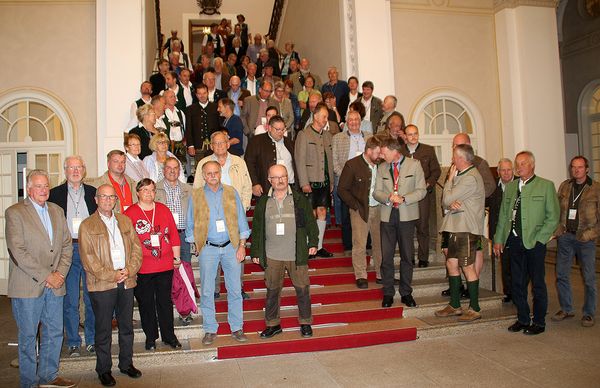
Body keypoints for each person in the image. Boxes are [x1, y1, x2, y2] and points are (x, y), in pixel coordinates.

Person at [5, 169, 75, 388]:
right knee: (28, 336)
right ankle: (29, 382)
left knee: (54, 332)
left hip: (56, 284)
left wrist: (60, 274)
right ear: (29, 188)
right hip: (28, 285)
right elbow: (18, 251)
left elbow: (66, 245)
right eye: (38, 186)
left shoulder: (57, 210)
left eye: (46, 185)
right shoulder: (15, 212)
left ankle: (48, 376)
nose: (43, 190)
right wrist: (47, 276)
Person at [79, 184, 143, 386]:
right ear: (96, 200)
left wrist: (129, 270)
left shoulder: (125, 221)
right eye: (103, 197)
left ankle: (126, 364)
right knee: (104, 329)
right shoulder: (87, 226)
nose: (108, 200)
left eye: (111, 197)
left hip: (126, 280)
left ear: (115, 200)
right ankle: (104, 369)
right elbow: (89, 260)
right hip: (102, 285)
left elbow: (136, 249)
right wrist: (112, 275)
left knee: (126, 327)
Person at [493, 151, 559, 335]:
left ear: (532, 165)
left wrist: (541, 238)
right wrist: (499, 239)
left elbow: (553, 217)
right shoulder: (512, 187)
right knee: (517, 283)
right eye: (518, 164)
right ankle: (523, 318)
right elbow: (504, 216)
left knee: (537, 284)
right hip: (514, 241)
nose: (519, 167)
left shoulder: (545, 186)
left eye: (523, 163)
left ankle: (538, 322)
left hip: (534, 242)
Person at [185, 161, 251, 345]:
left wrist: (242, 245)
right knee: (206, 290)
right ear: (204, 176)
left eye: (215, 172)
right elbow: (190, 221)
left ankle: (237, 327)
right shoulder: (196, 195)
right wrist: (195, 243)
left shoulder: (231, 192)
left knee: (235, 289)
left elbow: (241, 219)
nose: (212, 176)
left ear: (220, 173)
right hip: (208, 248)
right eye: (209, 173)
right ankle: (210, 329)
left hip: (231, 247)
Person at [250, 165, 318, 338]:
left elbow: (311, 222)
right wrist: (256, 252)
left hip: (297, 254)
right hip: (272, 255)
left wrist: (314, 242)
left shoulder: (299, 199)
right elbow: (257, 229)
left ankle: (305, 322)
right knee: (272, 291)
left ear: (288, 178)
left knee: (303, 289)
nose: (280, 180)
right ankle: (273, 324)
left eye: (283, 177)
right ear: (269, 180)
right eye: (276, 177)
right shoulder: (263, 202)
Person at [48, 156, 97, 358]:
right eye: (71, 168)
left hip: (90, 249)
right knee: (70, 299)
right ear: (65, 170)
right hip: (67, 250)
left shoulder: (93, 193)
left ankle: (92, 340)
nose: (75, 171)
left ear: (84, 170)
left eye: (79, 167)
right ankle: (74, 342)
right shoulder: (54, 194)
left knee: (91, 296)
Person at [125, 179, 182, 350]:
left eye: (152, 190)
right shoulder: (130, 213)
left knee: (164, 302)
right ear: (138, 192)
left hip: (164, 265)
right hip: (143, 267)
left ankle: (169, 336)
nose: (149, 193)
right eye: (145, 190)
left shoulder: (163, 210)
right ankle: (151, 337)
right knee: (146, 303)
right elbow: (126, 241)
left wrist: (176, 258)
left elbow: (173, 235)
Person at [435, 144, 485, 322]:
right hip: (455, 227)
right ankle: (455, 305)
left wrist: (449, 180)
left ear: (462, 159)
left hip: (466, 229)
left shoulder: (470, 177)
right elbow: (446, 203)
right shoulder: (462, 176)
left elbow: (446, 198)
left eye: (454, 157)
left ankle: (475, 307)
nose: (452, 160)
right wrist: (450, 202)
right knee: (451, 265)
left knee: (467, 267)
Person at [374, 137, 426, 308]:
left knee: (407, 256)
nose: (381, 155)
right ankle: (388, 292)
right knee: (386, 257)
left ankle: (406, 292)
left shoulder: (414, 165)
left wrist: (404, 198)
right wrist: (388, 198)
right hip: (387, 216)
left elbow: (421, 191)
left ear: (394, 151)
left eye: (384, 152)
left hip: (407, 216)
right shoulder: (381, 168)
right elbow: (376, 192)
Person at [552, 156, 600, 327]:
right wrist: (557, 230)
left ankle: (588, 313)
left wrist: (589, 234)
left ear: (587, 169)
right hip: (566, 237)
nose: (576, 170)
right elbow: (557, 210)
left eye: (580, 167)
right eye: (573, 167)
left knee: (588, 278)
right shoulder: (565, 186)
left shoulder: (595, 189)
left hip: (585, 238)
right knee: (561, 274)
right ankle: (566, 308)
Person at [155, 157, 198, 325]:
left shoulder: (189, 189)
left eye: (176, 168)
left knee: (184, 276)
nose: (172, 171)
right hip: (162, 238)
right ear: (163, 170)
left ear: (180, 171)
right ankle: (163, 311)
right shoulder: (154, 189)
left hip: (183, 236)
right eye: (169, 168)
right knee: (164, 276)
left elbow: (195, 215)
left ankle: (185, 310)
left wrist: (195, 238)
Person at [338, 136, 383, 288]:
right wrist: (354, 205)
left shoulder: (381, 164)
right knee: (359, 244)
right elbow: (342, 189)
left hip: (379, 209)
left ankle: (380, 273)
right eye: (377, 153)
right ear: (369, 151)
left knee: (379, 244)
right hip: (360, 209)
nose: (380, 156)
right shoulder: (352, 165)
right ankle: (361, 275)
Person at [295, 103, 335, 258]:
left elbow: (329, 160)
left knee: (322, 212)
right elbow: (299, 160)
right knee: (310, 214)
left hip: (324, 181)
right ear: (315, 116)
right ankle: (308, 246)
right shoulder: (304, 134)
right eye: (324, 116)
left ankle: (318, 247)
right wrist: (304, 182)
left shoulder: (327, 136)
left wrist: (331, 181)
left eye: (327, 117)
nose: (326, 120)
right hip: (310, 181)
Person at [332, 110, 373, 253]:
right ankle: (348, 245)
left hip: (366, 182)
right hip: (346, 183)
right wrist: (344, 177)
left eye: (356, 119)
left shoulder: (369, 137)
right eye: (351, 120)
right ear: (346, 122)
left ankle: (367, 244)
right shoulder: (338, 138)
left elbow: (375, 157)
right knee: (346, 214)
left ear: (361, 121)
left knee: (366, 212)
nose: (354, 122)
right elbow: (335, 161)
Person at [401, 124, 441, 268]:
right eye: (410, 134)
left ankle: (423, 258)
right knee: (407, 228)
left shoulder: (428, 150)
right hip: (405, 196)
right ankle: (409, 258)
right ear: (405, 136)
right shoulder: (400, 152)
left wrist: (428, 183)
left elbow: (436, 171)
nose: (413, 136)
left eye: (415, 133)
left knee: (423, 226)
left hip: (423, 195)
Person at [245, 115, 296, 198]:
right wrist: (254, 183)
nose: (281, 132)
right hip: (266, 187)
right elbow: (249, 163)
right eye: (277, 129)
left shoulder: (289, 142)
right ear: (269, 128)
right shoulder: (256, 141)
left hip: (289, 185)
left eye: (283, 129)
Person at [486, 158, 515, 303]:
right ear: (498, 172)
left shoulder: (519, 186)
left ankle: (517, 292)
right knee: (505, 265)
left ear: (513, 170)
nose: (506, 173)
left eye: (509, 169)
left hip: (515, 233)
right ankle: (508, 293)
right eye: (503, 170)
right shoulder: (493, 188)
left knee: (516, 264)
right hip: (499, 233)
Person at [185, 83, 221, 164]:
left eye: (204, 93)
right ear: (196, 95)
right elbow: (188, 128)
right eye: (199, 94)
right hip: (198, 146)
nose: (202, 96)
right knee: (199, 168)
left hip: (214, 146)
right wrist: (190, 146)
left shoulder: (216, 107)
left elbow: (220, 126)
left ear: (208, 93)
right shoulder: (190, 109)